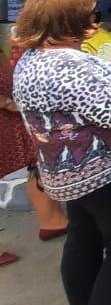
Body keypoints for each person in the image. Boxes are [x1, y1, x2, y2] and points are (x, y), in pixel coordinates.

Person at [11, 0, 111, 305]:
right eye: (92, 13)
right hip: (105, 172)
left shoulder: (31, 57)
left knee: (84, 238)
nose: (96, 20)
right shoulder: (70, 67)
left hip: (67, 172)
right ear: (70, 20)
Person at [1, 44, 69, 251]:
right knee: (37, 161)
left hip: (13, 115)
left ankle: (54, 220)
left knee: (36, 161)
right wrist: (6, 102)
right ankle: (52, 220)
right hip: (8, 113)